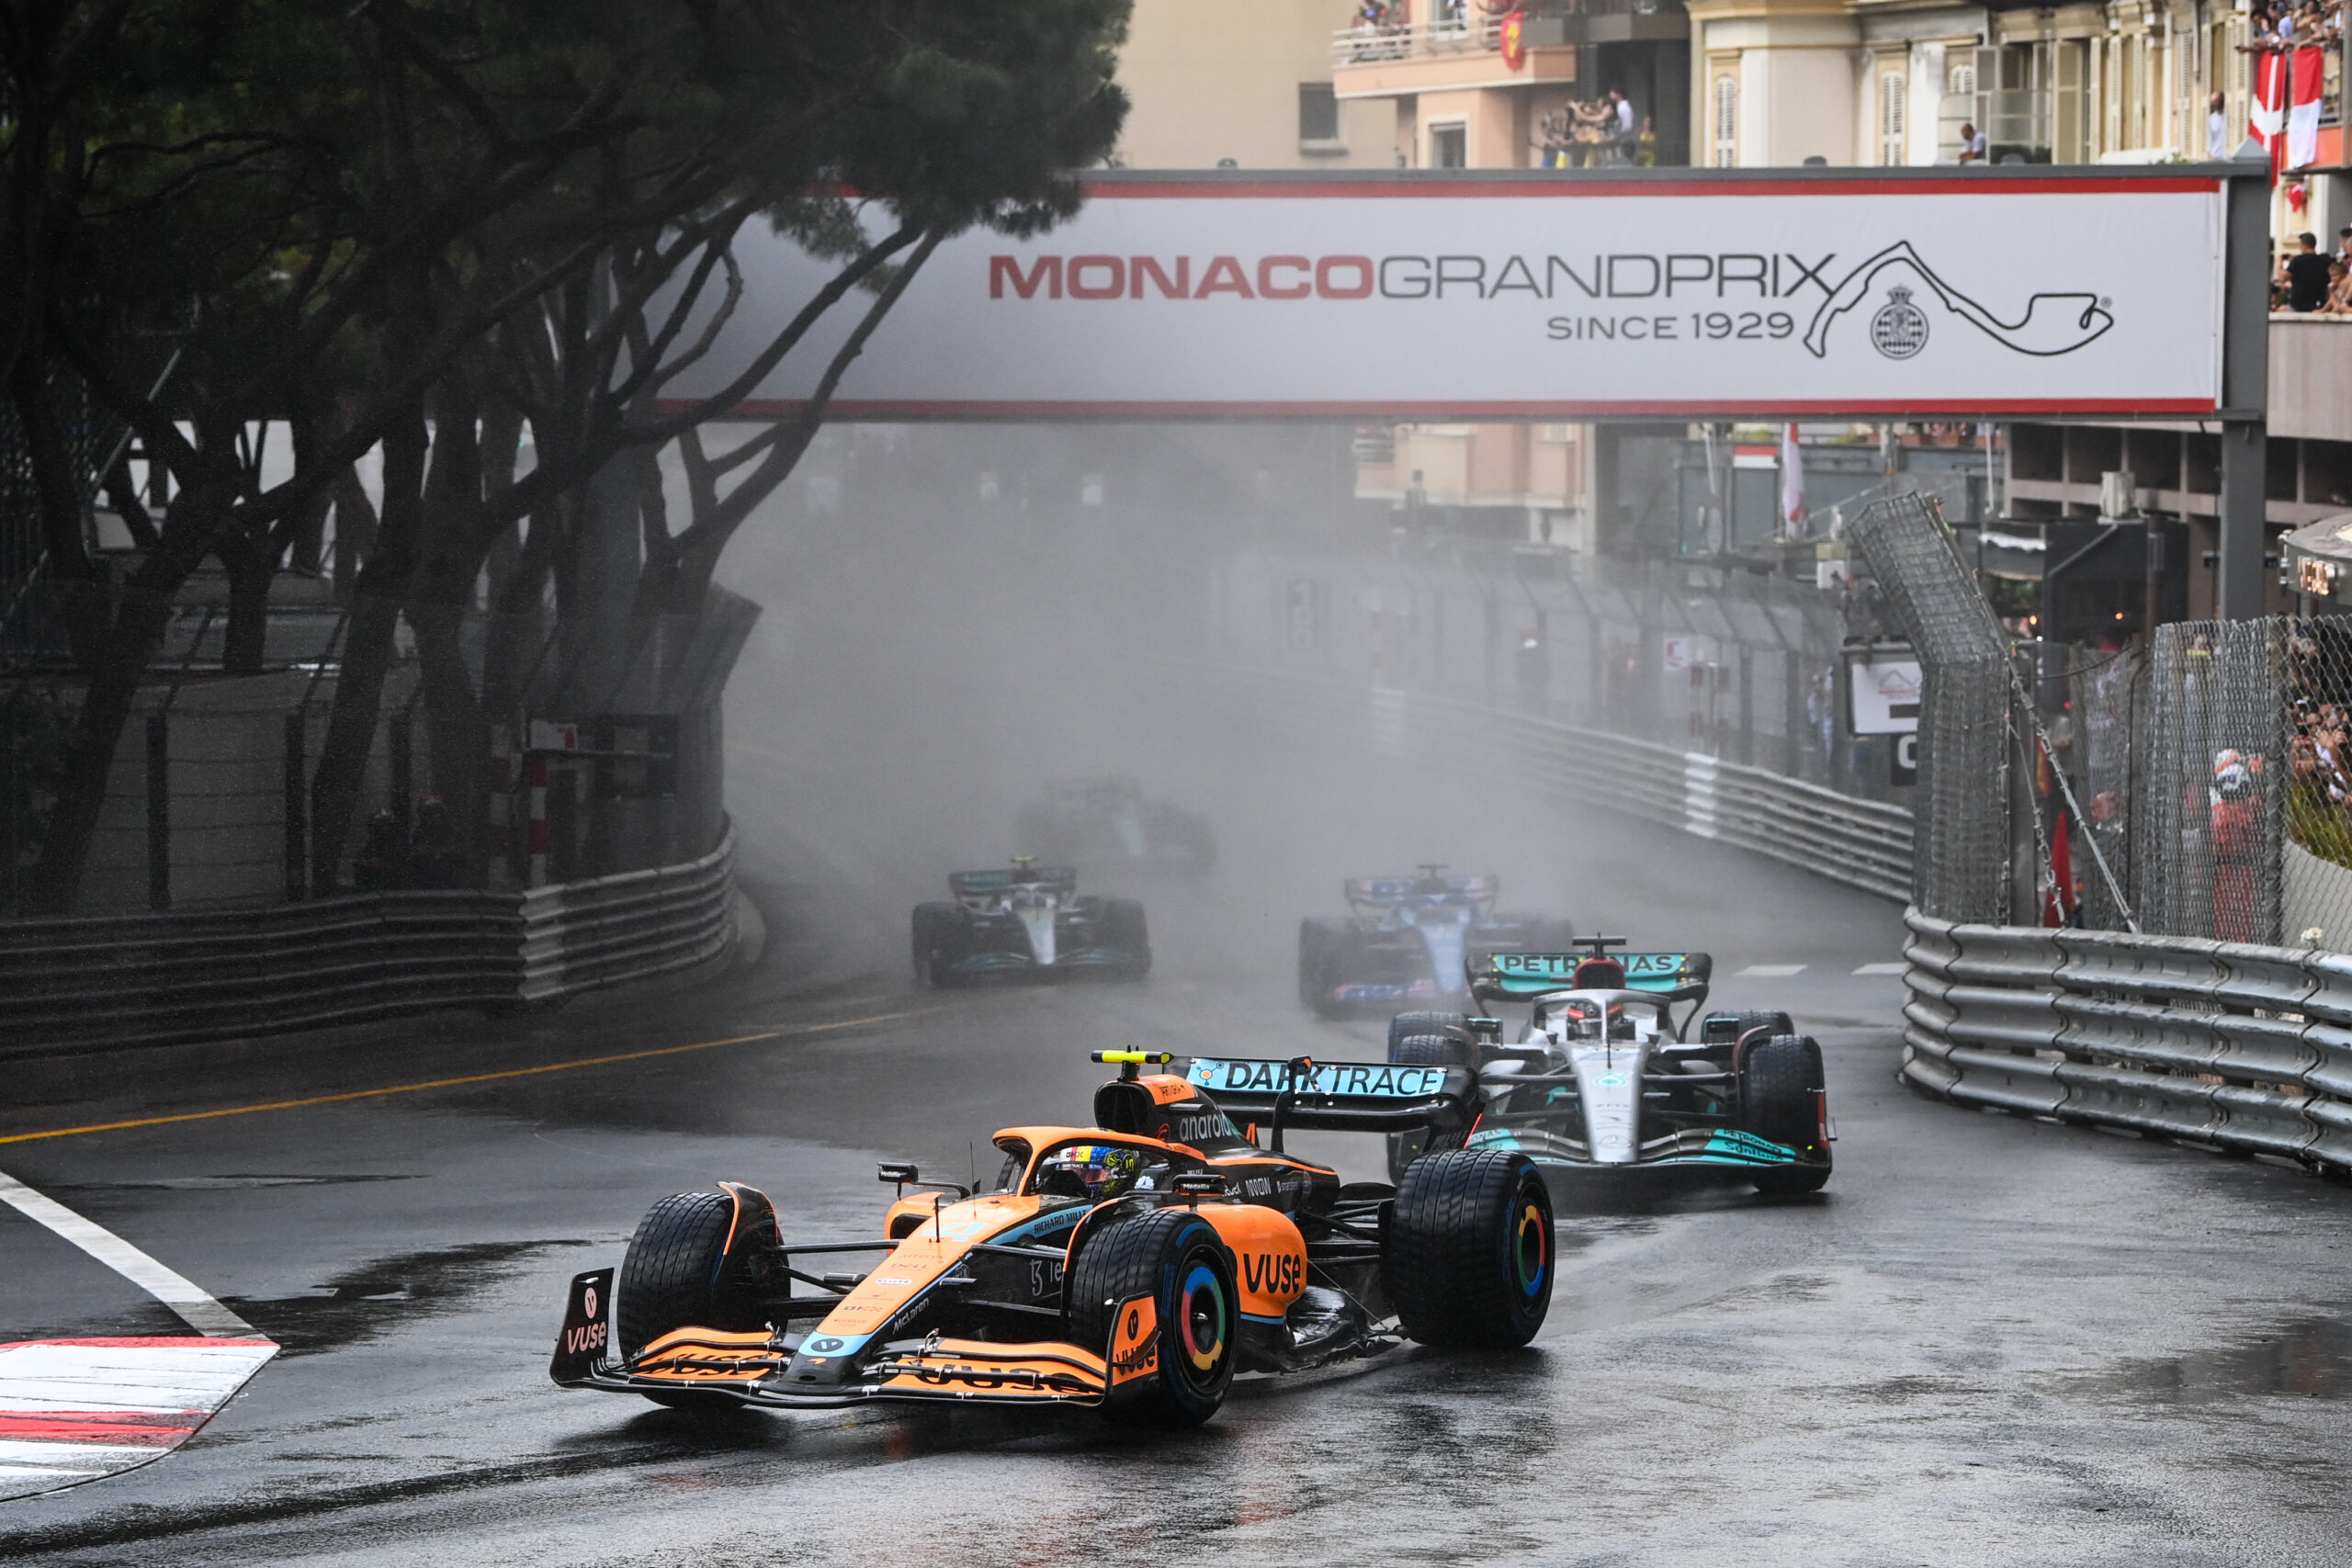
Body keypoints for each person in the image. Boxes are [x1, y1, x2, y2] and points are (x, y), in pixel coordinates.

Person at [2281, 231, 2335, 311]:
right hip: (2319, 303)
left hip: (2298, 304)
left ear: (2303, 245)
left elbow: (2283, 278)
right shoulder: (2324, 261)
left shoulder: (2297, 261)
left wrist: (2279, 263)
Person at [2209, 92, 2229, 160]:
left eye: (2217, 101)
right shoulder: (2211, 119)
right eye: (2214, 102)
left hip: (2228, 156)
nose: (2215, 104)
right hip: (2215, 156)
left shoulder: (2229, 116)